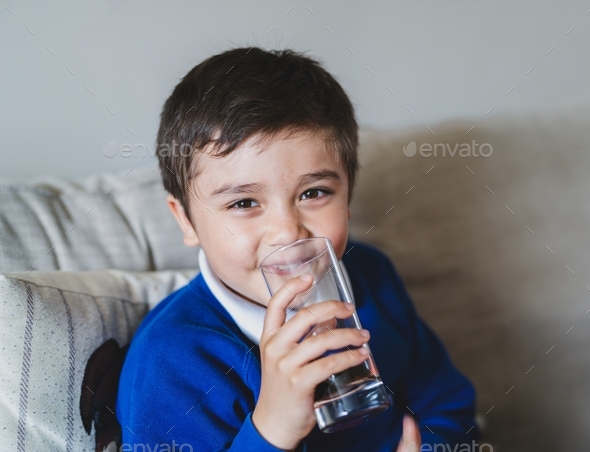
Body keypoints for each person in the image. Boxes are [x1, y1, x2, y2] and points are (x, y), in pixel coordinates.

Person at [116, 46, 479, 452]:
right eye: (243, 203)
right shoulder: (173, 360)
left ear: (347, 197)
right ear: (185, 220)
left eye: (314, 192)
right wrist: (272, 429)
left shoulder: (373, 275)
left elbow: (448, 402)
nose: (287, 232)